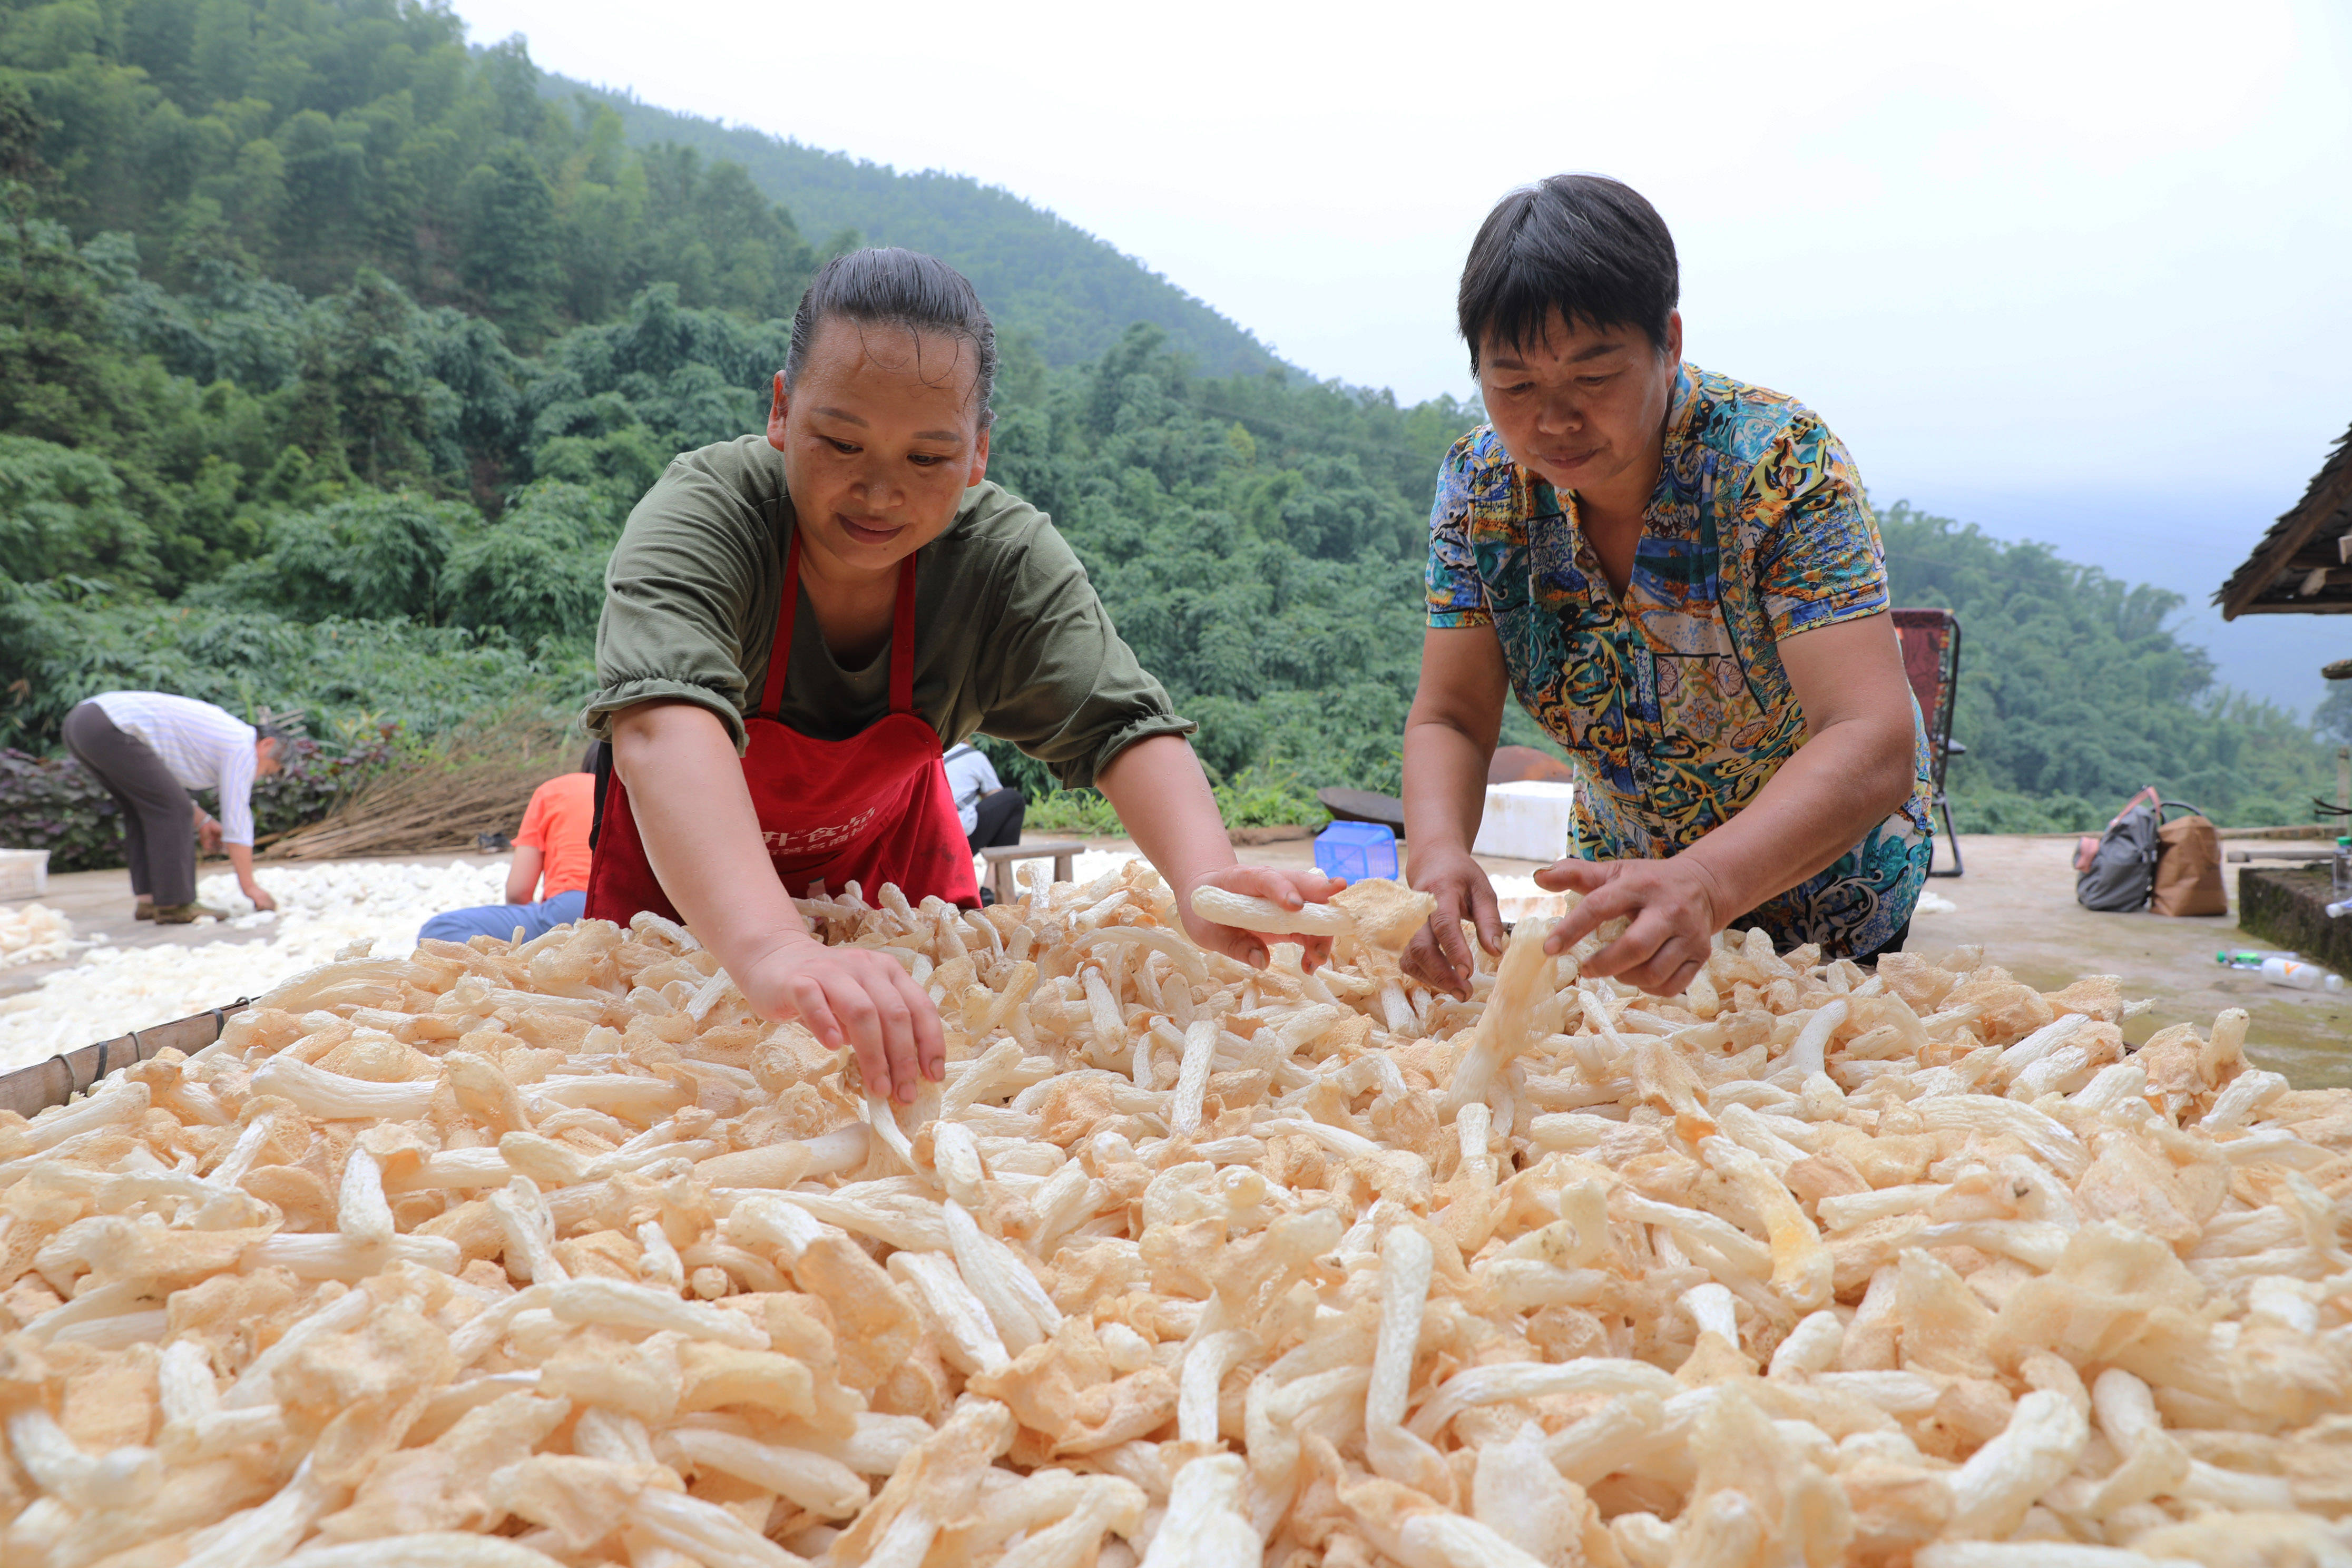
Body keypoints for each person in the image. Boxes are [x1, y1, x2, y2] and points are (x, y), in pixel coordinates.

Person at [587, 247, 1334, 1105]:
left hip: (899, 896)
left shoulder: (1002, 560)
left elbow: (1120, 725)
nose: (877, 490)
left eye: (927, 459)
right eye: (840, 441)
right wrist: (771, 950)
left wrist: (1206, 879)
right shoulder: (705, 516)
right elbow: (660, 726)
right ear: (782, 411)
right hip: (685, 916)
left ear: (978, 453)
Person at [1402, 175, 1933, 1001]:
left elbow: (1871, 737)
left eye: (1593, 377)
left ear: (1669, 342)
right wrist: (1437, 854)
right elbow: (1452, 716)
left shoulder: (1777, 462)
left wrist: (1711, 883)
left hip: (1828, 896)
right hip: (1623, 901)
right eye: (1515, 387)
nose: (1555, 420)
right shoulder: (1481, 488)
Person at [60, 691, 287, 922]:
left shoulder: (224, 735)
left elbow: (161, 794)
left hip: (82, 723)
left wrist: (205, 822)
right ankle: (175, 903)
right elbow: (236, 818)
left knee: (142, 808)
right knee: (173, 811)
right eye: (266, 770)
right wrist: (250, 888)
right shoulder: (243, 746)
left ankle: (149, 900)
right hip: (108, 724)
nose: (258, 777)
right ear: (267, 744)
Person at [419, 755, 597, 946]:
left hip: (575, 910)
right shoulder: (630, 790)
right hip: (629, 915)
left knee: (438, 931)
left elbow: (518, 892)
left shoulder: (558, 789)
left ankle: (510, 968)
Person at [944, 741, 1026, 854]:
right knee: (1013, 800)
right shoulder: (972, 755)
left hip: (924, 838)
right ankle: (998, 868)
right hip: (956, 838)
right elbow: (996, 797)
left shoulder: (924, 757)